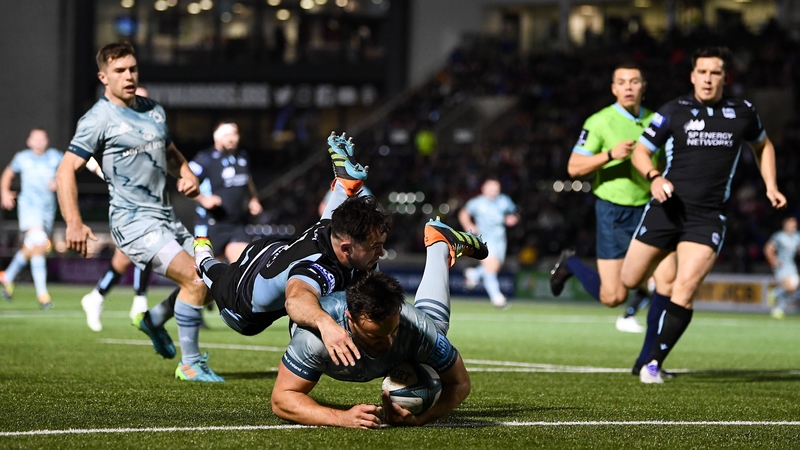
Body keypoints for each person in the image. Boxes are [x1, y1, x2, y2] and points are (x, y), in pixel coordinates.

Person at [619, 47, 786, 383]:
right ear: (692, 75)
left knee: (686, 287)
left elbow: (763, 145)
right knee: (629, 281)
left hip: (707, 217)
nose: (708, 79)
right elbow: (641, 152)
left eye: (715, 73)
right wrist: (654, 178)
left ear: (725, 77)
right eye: (702, 72)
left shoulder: (743, 112)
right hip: (666, 209)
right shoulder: (672, 111)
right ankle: (651, 296)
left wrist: (771, 185)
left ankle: (653, 363)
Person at [56, 42, 221, 381]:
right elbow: (64, 171)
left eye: (132, 69)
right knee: (193, 276)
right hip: (132, 222)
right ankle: (190, 364)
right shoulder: (97, 120)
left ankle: (154, 318)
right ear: (104, 77)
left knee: (212, 278)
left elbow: (171, 153)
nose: (128, 76)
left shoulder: (154, 110)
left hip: (166, 217)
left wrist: (187, 174)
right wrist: (73, 222)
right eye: (119, 71)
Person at [271, 219, 483, 428]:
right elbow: (282, 400)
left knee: (435, 330)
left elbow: (460, 383)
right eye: (376, 337)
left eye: (393, 331)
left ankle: (439, 244)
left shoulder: (416, 328)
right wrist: (341, 418)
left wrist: (420, 420)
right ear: (350, 319)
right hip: (322, 317)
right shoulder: (314, 339)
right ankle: (439, 247)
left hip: (410, 324)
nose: (389, 343)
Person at [549, 63, 676, 334]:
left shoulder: (657, 121)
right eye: (622, 82)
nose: (628, 87)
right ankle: (570, 263)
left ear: (644, 86)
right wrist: (610, 155)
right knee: (613, 297)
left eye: (634, 81)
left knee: (667, 281)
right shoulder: (599, 122)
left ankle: (651, 359)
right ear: (613, 88)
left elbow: (668, 162)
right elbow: (574, 168)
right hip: (613, 213)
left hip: (649, 210)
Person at [80, 86, 154, 332]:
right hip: (126, 202)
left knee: (124, 258)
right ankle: (139, 301)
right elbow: (83, 154)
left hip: (145, 198)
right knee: (146, 242)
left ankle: (97, 297)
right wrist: (106, 175)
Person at [0, 128, 63, 308]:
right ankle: (42, 294)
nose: (39, 142)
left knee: (32, 246)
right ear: (29, 142)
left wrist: (58, 181)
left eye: (42, 139)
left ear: (47, 141)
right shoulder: (22, 158)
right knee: (40, 243)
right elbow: (7, 174)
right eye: (35, 139)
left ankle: (7, 276)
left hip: (47, 210)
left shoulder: (55, 156)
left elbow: (69, 170)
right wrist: (4, 192)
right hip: (29, 207)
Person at [189, 121, 263, 263]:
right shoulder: (205, 159)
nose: (232, 138)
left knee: (244, 267)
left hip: (235, 225)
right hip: (210, 225)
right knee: (203, 277)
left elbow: (248, 180)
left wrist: (253, 199)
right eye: (227, 135)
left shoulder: (242, 157)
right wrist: (203, 199)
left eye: (235, 134)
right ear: (217, 137)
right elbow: (184, 182)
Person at [458, 178, 518, 308]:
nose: (494, 191)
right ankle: (497, 298)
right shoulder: (477, 203)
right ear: (484, 188)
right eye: (491, 188)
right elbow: (463, 214)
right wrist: (469, 225)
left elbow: (514, 213)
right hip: (484, 238)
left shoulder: (504, 200)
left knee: (495, 266)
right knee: (490, 266)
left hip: (500, 239)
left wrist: (512, 219)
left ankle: (474, 274)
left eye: (496, 188)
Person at [764, 216, 800, 319]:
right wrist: (773, 260)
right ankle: (775, 294)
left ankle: (779, 308)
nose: (792, 227)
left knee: (792, 288)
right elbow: (768, 248)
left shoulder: (797, 237)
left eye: (794, 225)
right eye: (790, 225)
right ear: (785, 225)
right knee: (789, 287)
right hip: (781, 266)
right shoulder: (779, 236)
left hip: (791, 266)